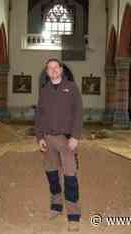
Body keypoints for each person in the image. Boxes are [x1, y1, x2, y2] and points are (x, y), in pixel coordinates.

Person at [35, 58, 83, 232]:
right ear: (47, 72)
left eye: (56, 67)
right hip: (48, 139)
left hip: (66, 140)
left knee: (70, 177)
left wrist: (75, 136)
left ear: (61, 70)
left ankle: (73, 216)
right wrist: (39, 137)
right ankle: (56, 206)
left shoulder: (71, 87)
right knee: (52, 175)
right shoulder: (44, 90)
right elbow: (39, 116)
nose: (53, 70)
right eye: (50, 68)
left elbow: (78, 112)